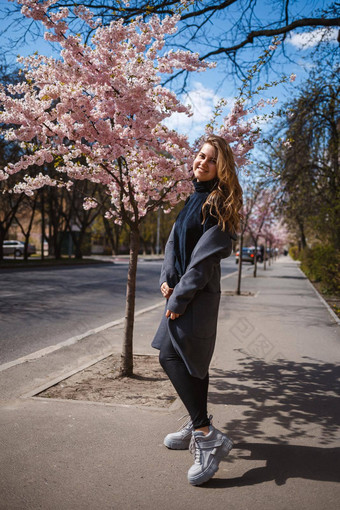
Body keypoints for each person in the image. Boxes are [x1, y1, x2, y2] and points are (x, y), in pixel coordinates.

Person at [152, 134, 243, 486]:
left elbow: (204, 261)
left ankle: (207, 436)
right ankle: (198, 423)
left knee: (174, 358)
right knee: (190, 361)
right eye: (199, 156)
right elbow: (173, 241)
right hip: (180, 293)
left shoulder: (218, 204)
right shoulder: (194, 198)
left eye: (210, 159)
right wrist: (165, 276)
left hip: (196, 299)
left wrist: (178, 298)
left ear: (222, 167)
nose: (201, 162)